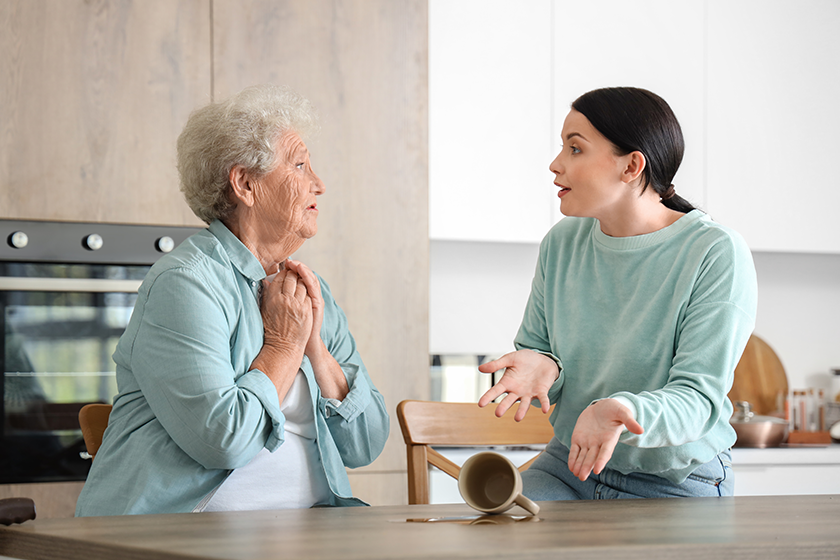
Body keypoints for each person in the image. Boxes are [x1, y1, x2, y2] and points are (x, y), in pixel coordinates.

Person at [75, 85, 389, 516]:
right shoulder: (185, 284)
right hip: (177, 539)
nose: (320, 183)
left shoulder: (308, 293)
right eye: (300, 165)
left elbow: (366, 444)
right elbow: (224, 442)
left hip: (307, 535)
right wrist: (282, 346)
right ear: (245, 184)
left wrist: (314, 348)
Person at [478, 87, 756, 500]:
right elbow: (541, 355)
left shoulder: (714, 252)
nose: (556, 165)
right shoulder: (562, 243)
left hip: (674, 477)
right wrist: (544, 368)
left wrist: (624, 412)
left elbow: (698, 399)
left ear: (632, 166)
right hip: (569, 465)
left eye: (575, 149)